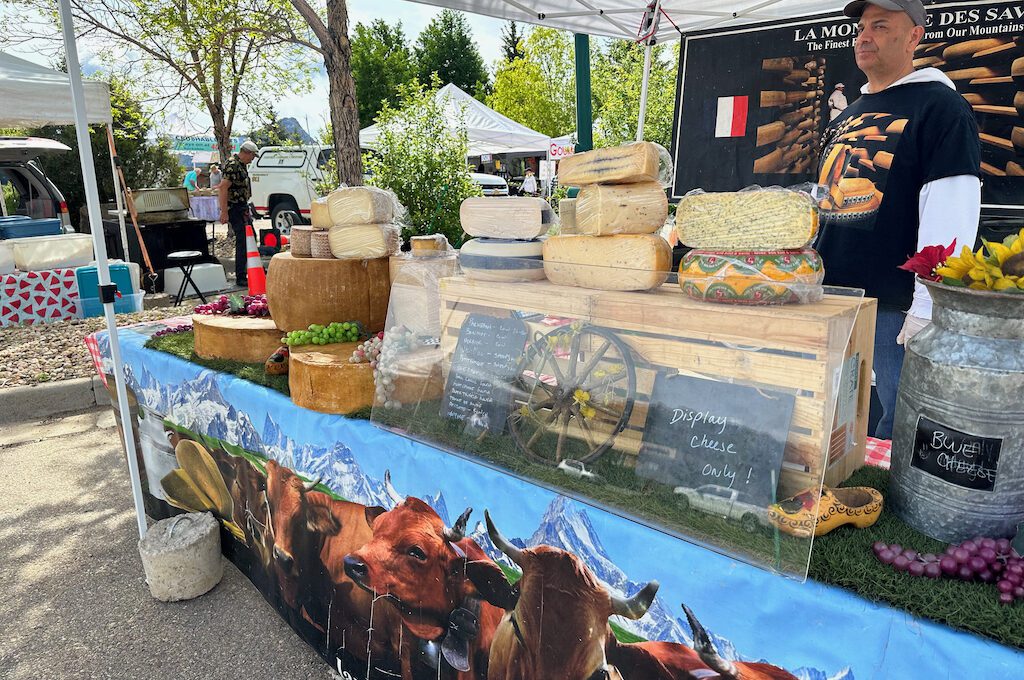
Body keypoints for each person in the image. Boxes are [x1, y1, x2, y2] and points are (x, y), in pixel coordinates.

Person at [816, 0, 981, 439]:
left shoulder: (940, 107)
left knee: (904, 427)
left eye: (881, 25)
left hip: (894, 306)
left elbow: (952, 206)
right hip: (830, 296)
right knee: (832, 422)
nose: (864, 36)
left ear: (914, 36)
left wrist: (928, 306)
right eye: (862, 27)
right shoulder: (848, 113)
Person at [219, 140, 259, 287]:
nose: (252, 159)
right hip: (234, 208)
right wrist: (224, 212)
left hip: (242, 206)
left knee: (251, 238)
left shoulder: (241, 165)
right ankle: (241, 276)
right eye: (252, 156)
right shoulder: (233, 165)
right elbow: (223, 188)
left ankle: (251, 270)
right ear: (246, 152)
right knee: (242, 240)